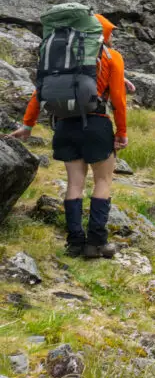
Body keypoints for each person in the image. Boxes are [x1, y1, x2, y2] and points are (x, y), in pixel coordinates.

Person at [8, 14, 128, 259]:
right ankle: (96, 243)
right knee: (102, 182)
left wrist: (28, 126)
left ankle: (74, 243)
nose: (113, 37)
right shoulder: (111, 56)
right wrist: (122, 132)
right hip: (96, 124)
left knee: (74, 184)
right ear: (101, 32)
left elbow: (38, 93)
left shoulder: (60, 59)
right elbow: (118, 99)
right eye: (110, 32)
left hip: (64, 127)